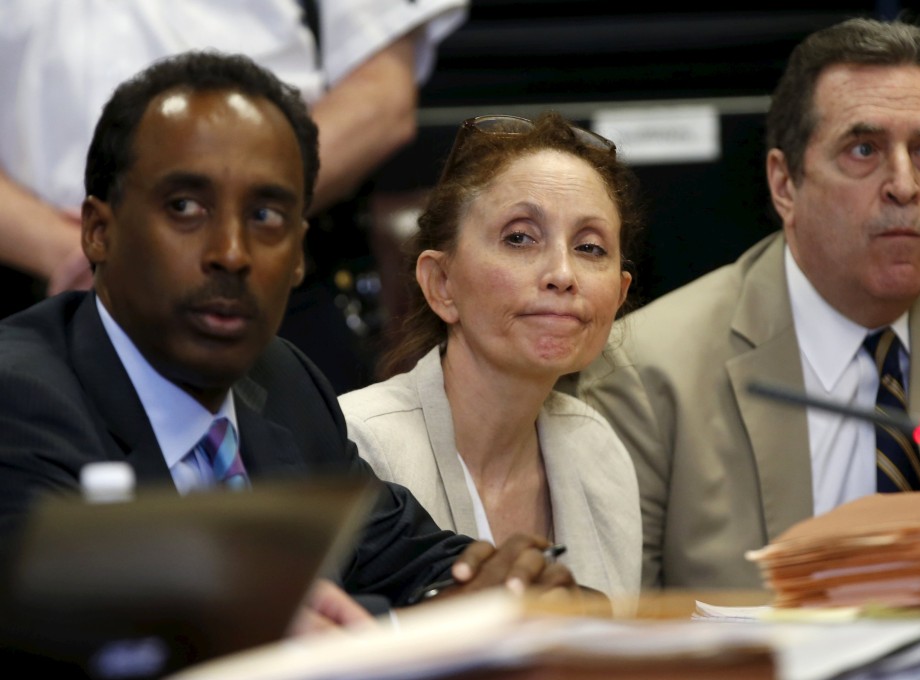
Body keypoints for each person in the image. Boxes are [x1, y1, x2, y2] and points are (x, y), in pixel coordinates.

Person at [0, 51, 576, 667]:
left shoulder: (283, 381)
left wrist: (494, 583)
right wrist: (413, 622)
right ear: (98, 232)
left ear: (299, 255)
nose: (231, 253)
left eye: (266, 216)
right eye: (185, 208)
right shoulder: (20, 397)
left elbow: (406, 556)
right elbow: (95, 632)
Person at [573, 17, 920, 590]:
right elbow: (618, 635)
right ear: (785, 185)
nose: (905, 184)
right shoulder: (647, 372)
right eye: (865, 149)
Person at [0, 0, 468, 391]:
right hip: (36, 280)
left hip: (270, 291)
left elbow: (381, 96)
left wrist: (251, 216)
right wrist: (73, 250)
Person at [338, 112, 643, 606]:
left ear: (619, 295)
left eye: (590, 247)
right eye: (519, 237)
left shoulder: (598, 448)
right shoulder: (359, 444)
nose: (563, 274)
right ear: (442, 284)